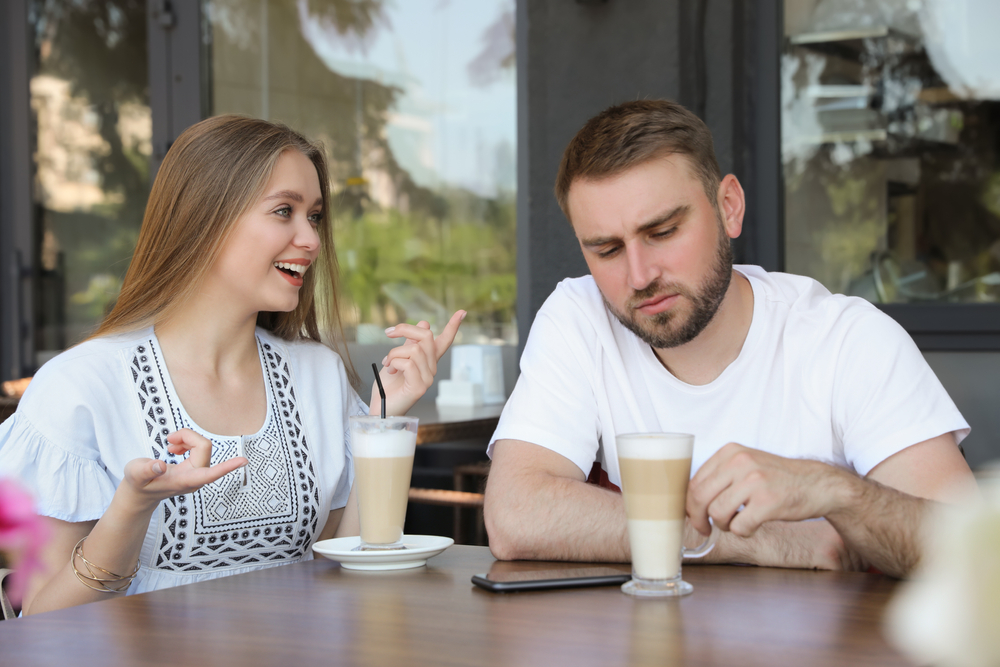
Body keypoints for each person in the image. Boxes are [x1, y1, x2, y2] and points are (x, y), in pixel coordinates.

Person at [484, 99, 978, 578]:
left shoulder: (847, 339)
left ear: (729, 207)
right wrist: (752, 540)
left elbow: (972, 553)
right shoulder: (580, 316)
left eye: (662, 231)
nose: (639, 276)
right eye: (607, 249)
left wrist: (836, 491)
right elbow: (514, 515)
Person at [0, 115, 464, 614]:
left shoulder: (319, 376)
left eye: (314, 216)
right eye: (283, 210)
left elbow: (347, 571)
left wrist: (382, 421)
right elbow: (41, 620)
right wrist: (131, 510)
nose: (309, 239)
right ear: (206, 218)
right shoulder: (81, 387)